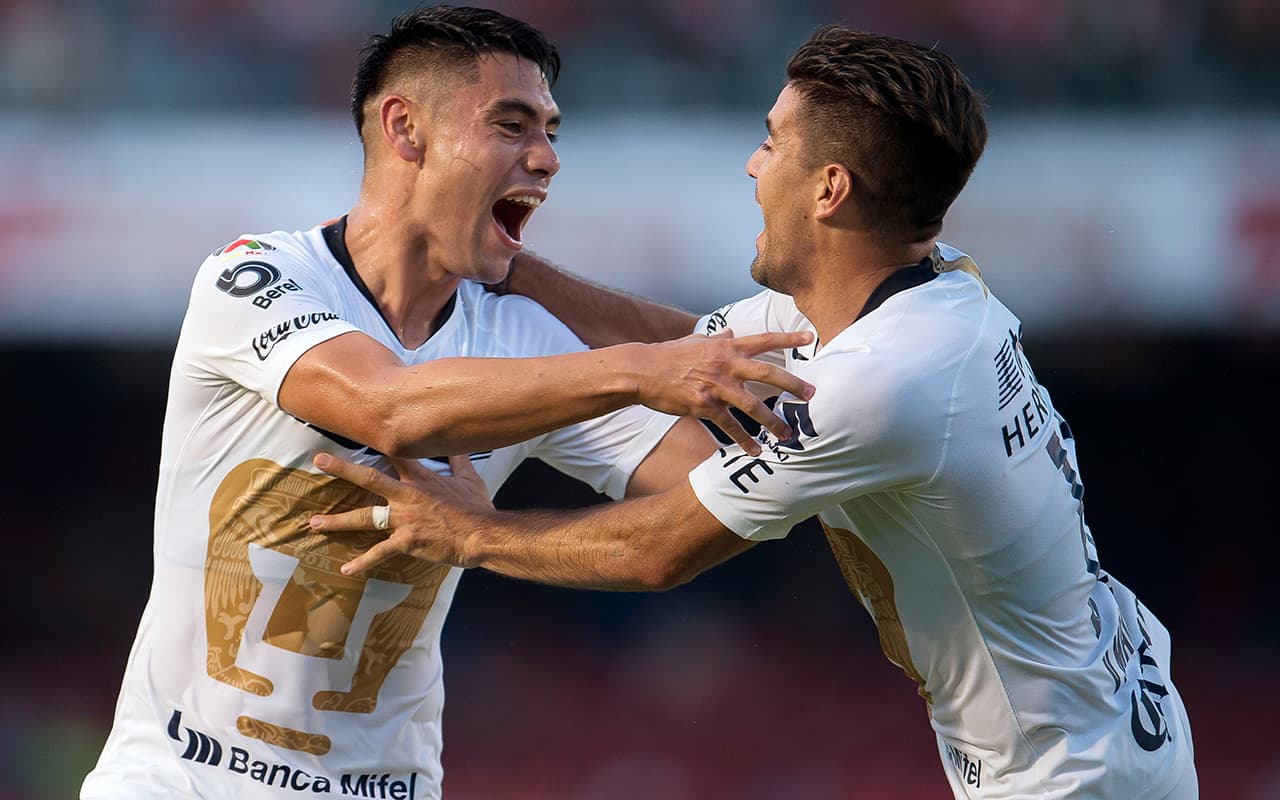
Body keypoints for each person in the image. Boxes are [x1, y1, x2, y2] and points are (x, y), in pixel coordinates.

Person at [310, 26, 1199, 800]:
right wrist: (513, 267)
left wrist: (473, 533)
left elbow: (656, 550)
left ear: (829, 190)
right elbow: (709, 355)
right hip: (1117, 713)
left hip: (1065, 779)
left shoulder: (887, 382)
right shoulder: (912, 287)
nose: (752, 162)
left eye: (773, 142)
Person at [80, 7, 813, 799]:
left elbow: (729, 482)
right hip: (179, 781)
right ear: (407, 130)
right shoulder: (253, 278)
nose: (545, 158)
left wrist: (494, 531)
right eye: (511, 124)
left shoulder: (519, 330)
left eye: (553, 133)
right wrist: (637, 367)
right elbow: (387, 406)